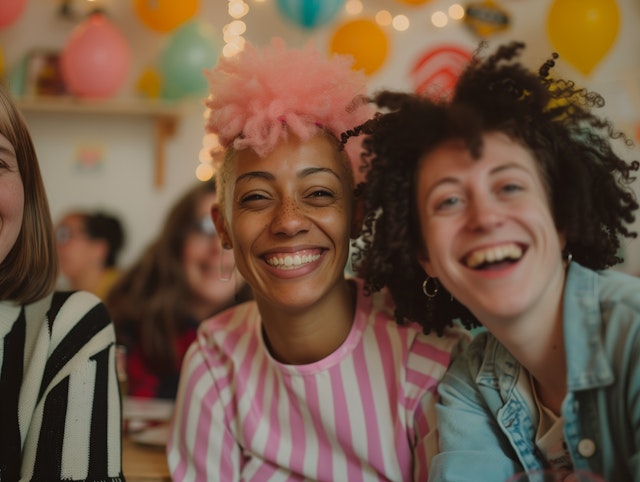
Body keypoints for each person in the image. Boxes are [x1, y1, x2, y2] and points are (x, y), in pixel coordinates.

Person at [167, 38, 466, 482]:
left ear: (357, 214)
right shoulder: (215, 361)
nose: (289, 222)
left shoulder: (425, 362)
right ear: (224, 226)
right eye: (256, 197)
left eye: (319, 193)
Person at [349, 41, 640, 481]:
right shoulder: (466, 386)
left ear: (560, 217)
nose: (484, 217)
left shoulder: (634, 331)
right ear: (425, 256)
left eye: (509, 187)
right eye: (448, 200)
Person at [0, 85, 124, 479]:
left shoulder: (84, 314)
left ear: (100, 249)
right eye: (58, 232)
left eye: (68, 235)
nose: (57, 242)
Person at [106, 180, 251, 400]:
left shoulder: (271, 338)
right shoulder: (122, 328)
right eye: (205, 228)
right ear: (176, 240)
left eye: (235, 231)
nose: (219, 246)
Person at [56, 210, 125, 299]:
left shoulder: (123, 294)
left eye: (64, 235)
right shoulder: (60, 295)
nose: (56, 245)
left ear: (99, 248)